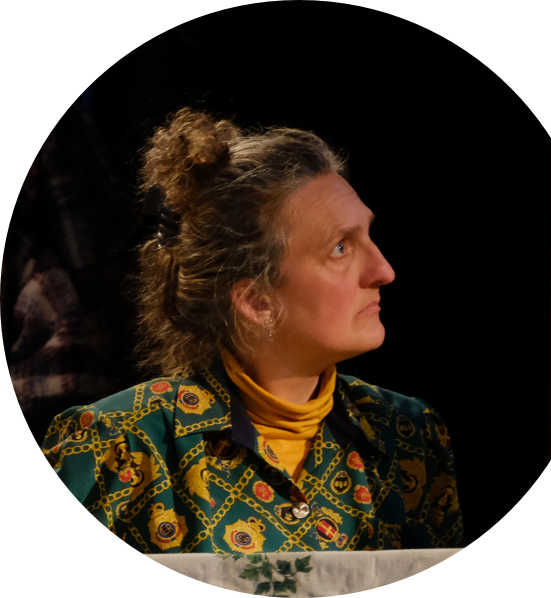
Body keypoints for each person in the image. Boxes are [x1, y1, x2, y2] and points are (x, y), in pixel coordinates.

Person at [41, 107, 466, 554]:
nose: (384, 270)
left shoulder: (410, 435)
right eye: (340, 248)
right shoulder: (118, 444)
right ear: (256, 301)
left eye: (368, 236)